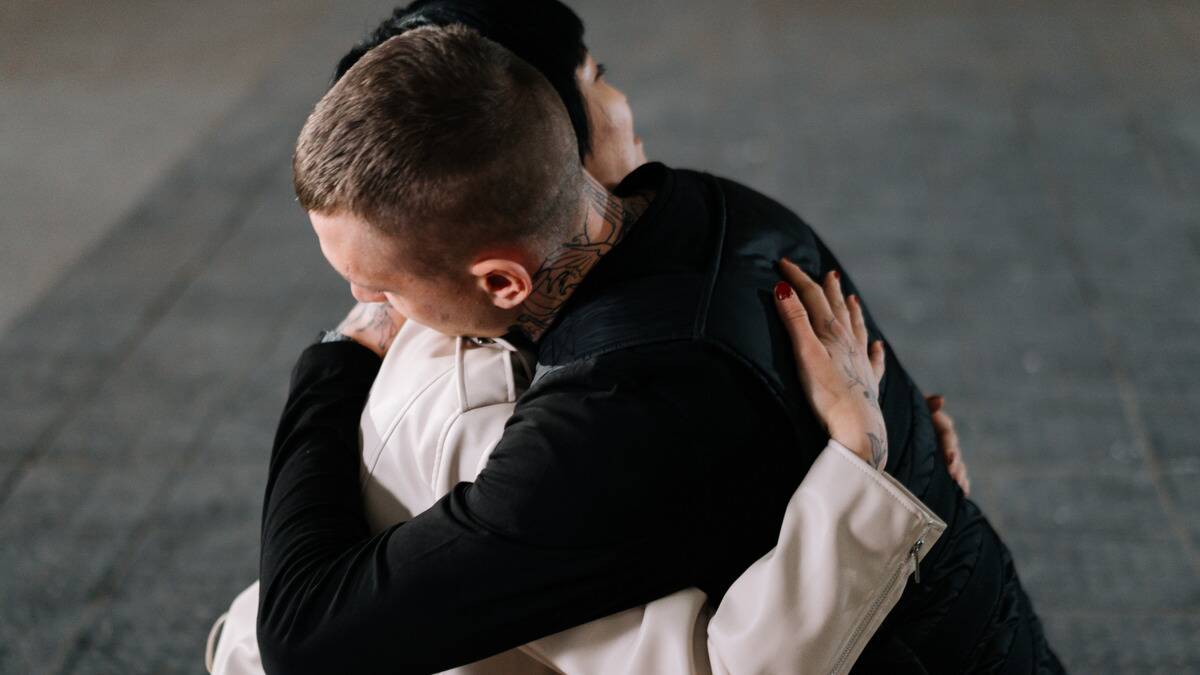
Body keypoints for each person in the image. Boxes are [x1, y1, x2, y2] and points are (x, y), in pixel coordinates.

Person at [261, 11, 1062, 675]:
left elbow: (306, 637)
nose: (366, 303)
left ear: (504, 281)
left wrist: (337, 357)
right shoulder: (714, 211)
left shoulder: (615, 410)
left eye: (380, 286)